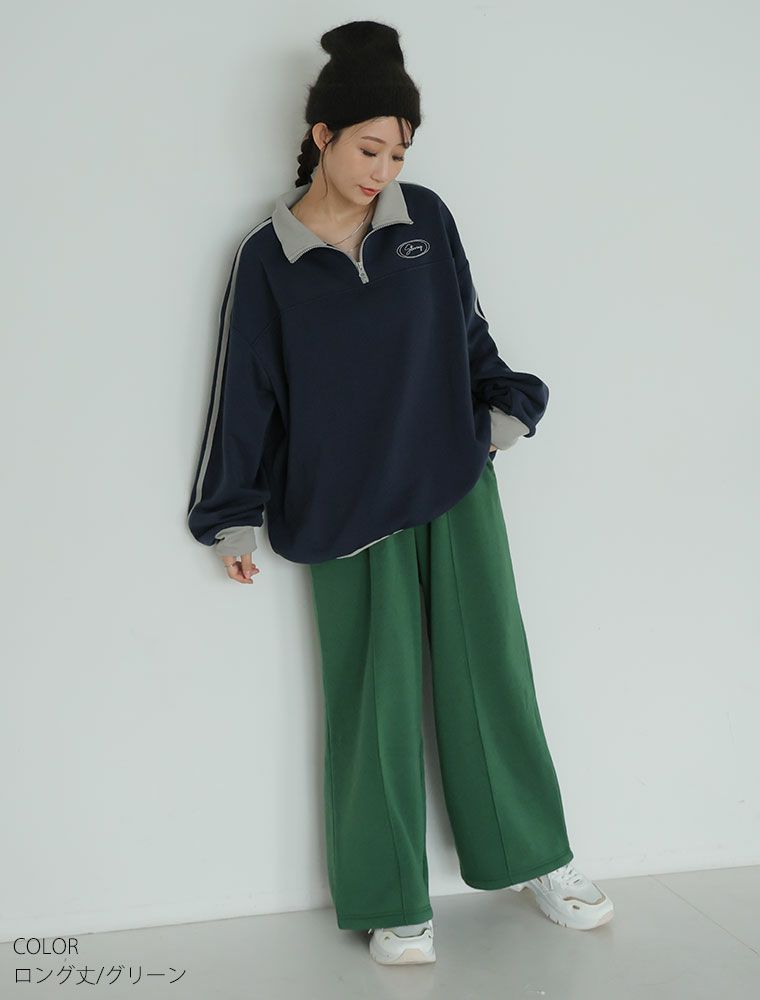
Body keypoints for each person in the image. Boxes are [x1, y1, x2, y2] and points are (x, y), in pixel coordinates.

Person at [187, 19, 614, 966]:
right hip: (343, 507)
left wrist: (501, 411)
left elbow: (467, 329)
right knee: (370, 703)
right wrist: (230, 515)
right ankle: (392, 900)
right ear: (322, 136)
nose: (383, 170)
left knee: (490, 671)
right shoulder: (267, 259)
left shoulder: (425, 221)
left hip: (451, 478)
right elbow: (243, 393)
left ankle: (537, 856)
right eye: (369, 149)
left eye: (399, 153)